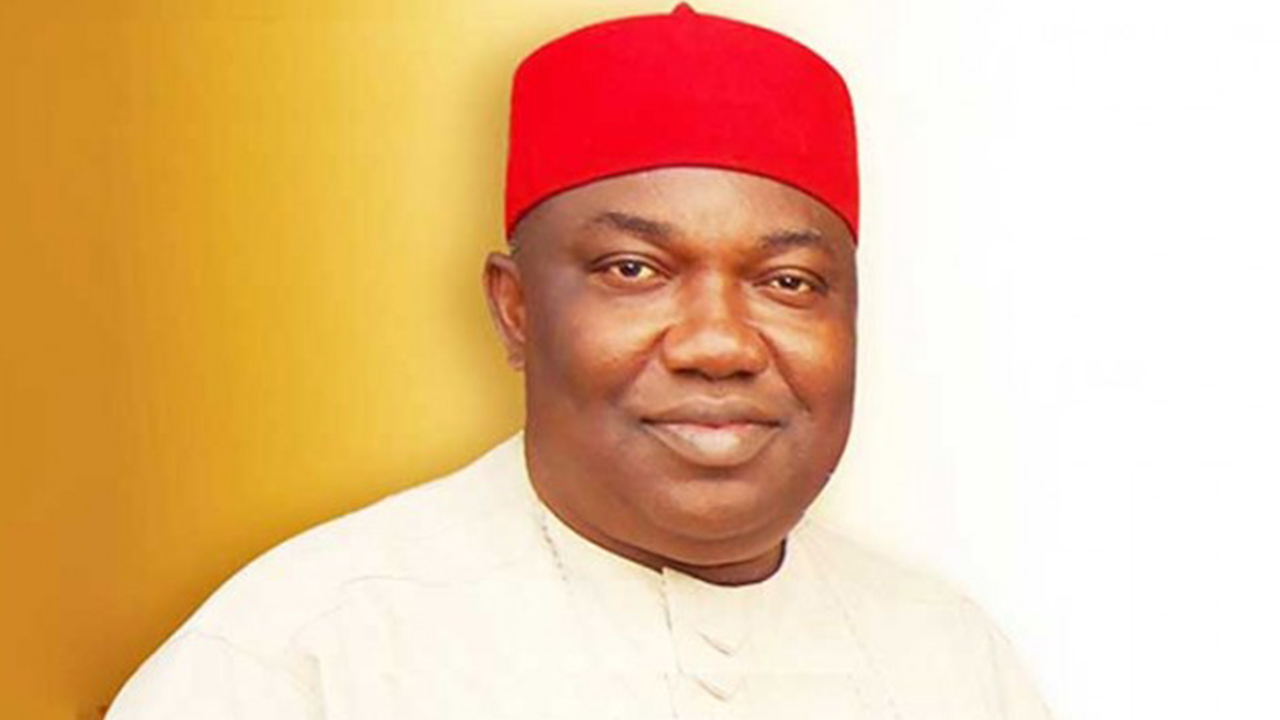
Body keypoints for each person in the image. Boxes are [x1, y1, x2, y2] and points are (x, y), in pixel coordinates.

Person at [106, 4, 1053, 719]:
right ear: (517, 310)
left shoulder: (951, 660)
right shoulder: (301, 653)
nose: (718, 344)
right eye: (634, 270)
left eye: (789, 282)